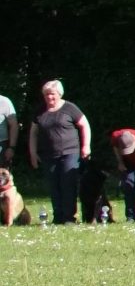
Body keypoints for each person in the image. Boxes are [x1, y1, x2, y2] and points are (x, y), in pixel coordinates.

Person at [24, 80, 89, 226]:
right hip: (48, 155)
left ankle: (69, 218)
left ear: (59, 94)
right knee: (54, 186)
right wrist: (33, 153)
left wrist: (86, 146)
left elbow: (84, 125)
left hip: (69, 152)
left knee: (68, 184)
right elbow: (33, 133)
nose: (49, 97)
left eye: (52, 94)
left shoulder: (70, 108)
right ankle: (58, 217)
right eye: (46, 95)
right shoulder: (40, 111)